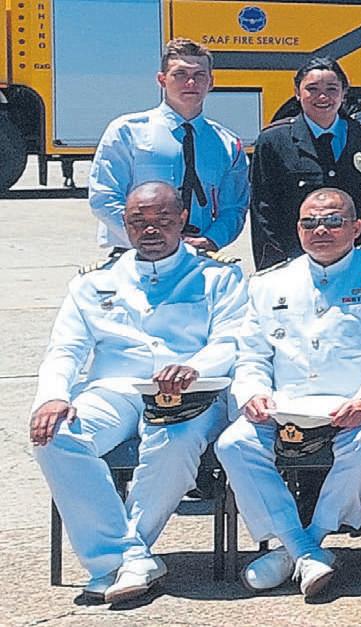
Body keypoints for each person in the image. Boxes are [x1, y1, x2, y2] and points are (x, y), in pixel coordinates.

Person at [32, 182, 250, 605]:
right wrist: (54, 395)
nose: (151, 229)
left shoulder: (217, 276)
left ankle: (120, 563)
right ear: (125, 224)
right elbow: (65, 349)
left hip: (190, 393)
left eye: (162, 220)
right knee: (55, 435)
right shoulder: (95, 282)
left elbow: (232, 339)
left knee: (176, 438)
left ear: (182, 219)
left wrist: (196, 367)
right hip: (114, 389)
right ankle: (124, 557)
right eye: (138, 221)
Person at [218, 188, 361, 598]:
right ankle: (306, 551)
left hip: (353, 405)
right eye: (310, 222)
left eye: (332, 221)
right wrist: (253, 392)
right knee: (234, 443)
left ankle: (303, 543)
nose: (321, 230)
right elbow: (252, 352)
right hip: (284, 407)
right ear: (298, 229)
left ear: (356, 227)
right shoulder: (269, 283)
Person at [91, 38, 249, 252]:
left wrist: (212, 240)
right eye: (180, 74)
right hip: (135, 254)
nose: (190, 83)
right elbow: (105, 197)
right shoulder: (127, 132)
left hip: (199, 255)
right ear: (162, 80)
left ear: (211, 82)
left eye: (199, 75)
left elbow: (234, 207)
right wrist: (150, 240)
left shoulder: (229, 145)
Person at [251, 58, 361, 267]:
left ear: (344, 92)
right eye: (312, 89)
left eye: (331, 89)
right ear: (297, 92)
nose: (322, 97)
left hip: (357, 262)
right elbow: (263, 210)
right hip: (296, 261)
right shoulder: (274, 140)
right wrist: (275, 267)